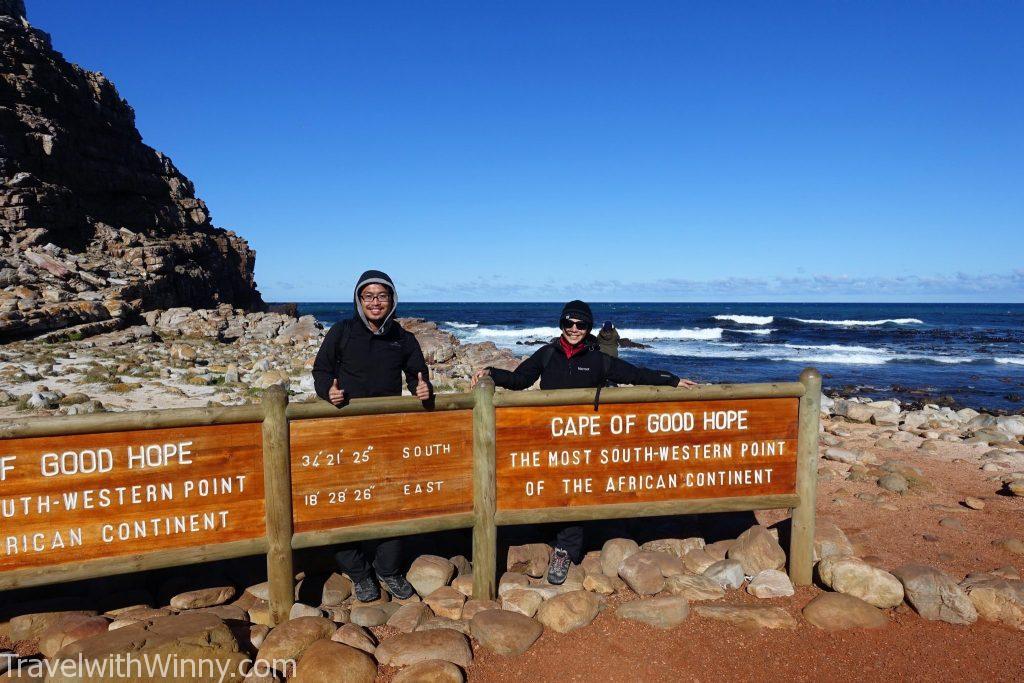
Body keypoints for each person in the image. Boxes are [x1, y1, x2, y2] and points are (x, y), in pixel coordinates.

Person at [471, 300, 696, 585]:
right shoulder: (547, 354)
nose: (574, 329)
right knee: (552, 488)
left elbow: (635, 374)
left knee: (573, 490)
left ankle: (565, 550)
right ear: (561, 324)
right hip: (550, 436)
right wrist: (492, 372)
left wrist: (673, 380)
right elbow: (519, 379)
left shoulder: (597, 358)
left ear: (589, 327)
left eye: (581, 324)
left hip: (583, 440)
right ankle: (552, 535)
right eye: (569, 323)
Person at [312, 269, 432, 602]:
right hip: (346, 434)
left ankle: (388, 570)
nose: (375, 302)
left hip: (387, 435)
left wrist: (424, 390)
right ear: (359, 300)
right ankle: (359, 572)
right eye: (369, 296)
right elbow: (321, 370)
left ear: (392, 300)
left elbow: (417, 375)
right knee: (341, 503)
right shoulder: (342, 332)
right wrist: (327, 392)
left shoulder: (403, 338)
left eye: (382, 296)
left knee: (392, 502)